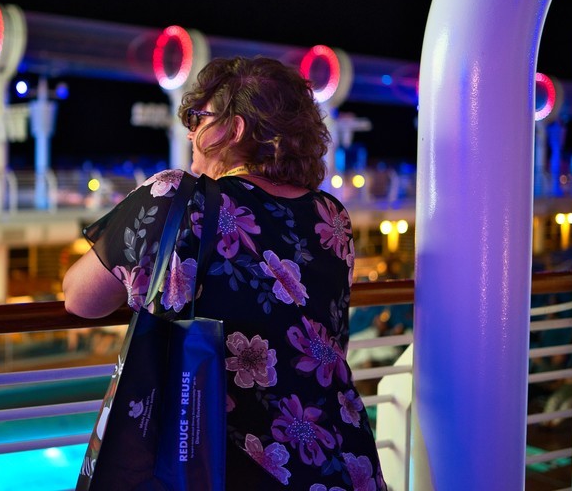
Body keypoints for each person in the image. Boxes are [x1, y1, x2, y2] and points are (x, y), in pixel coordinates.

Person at [64, 56, 386, 490]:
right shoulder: (332, 216)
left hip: (223, 462)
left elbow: (80, 298)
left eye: (200, 118)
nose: (191, 132)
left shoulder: (175, 195)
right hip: (338, 454)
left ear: (234, 130)